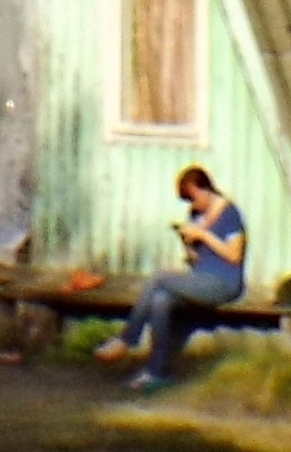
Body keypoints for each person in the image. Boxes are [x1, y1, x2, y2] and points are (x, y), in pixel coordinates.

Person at [96, 165, 247, 391]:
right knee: (161, 300)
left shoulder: (229, 214)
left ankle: (127, 339)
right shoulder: (196, 215)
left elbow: (234, 256)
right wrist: (189, 245)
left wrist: (203, 235)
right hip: (201, 279)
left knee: (160, 277)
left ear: (204, 189)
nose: (192, 205)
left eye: (193, 198)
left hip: (224, 283)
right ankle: (157, 372)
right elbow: (197, 260)